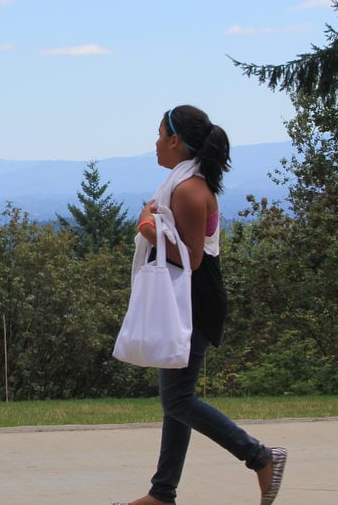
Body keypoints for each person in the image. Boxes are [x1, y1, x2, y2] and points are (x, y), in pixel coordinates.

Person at [113, 106, 287, 505]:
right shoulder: (184, 182)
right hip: (185, 299)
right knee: (176, 400)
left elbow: (190, 259)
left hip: (194, 301)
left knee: (177, 399)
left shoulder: (189, 189)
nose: (155, 143)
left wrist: (146, 227)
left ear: (176, 140)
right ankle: (162, 493)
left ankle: (261, 457)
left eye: (160, 134)